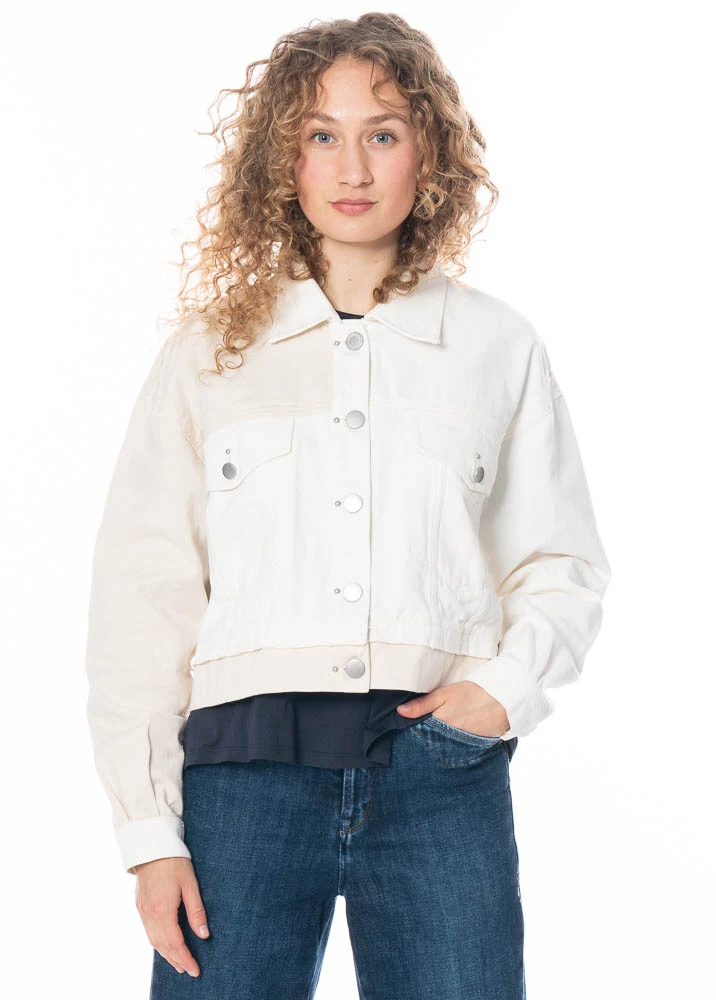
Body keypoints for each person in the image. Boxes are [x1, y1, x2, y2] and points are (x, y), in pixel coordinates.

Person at [84, 13, 611, 999]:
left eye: (383, 132)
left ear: (429, 153)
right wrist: (148, 832)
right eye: (320, 134)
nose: (352, 166)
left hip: (437, 772)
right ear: (281, 158)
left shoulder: (496, 347)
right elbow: (143, 595)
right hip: (240, 780)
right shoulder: (208, 355)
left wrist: (502, 691)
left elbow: (561, 563)